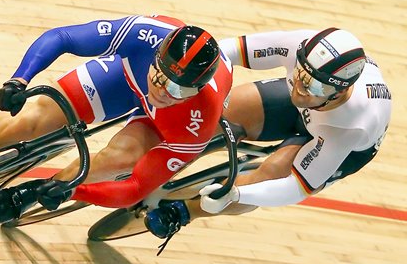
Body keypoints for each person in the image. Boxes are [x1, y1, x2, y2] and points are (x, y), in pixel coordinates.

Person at [0, 15, 234, 222]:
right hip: (125, 79)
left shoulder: (198, 122)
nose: (162, 89)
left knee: (118, 158)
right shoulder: (145, 34)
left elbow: (134, 188)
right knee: (29, 120)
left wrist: (74, 192)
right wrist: (19, 80)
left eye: (177, 87)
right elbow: (63, 37)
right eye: (160, 74)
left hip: (164, 123)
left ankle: (41, 189)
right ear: (157, 54)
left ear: (198, 88)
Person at [145, 27, 392, 239]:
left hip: (332, 137)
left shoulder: (350, 127)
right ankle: (160, 159)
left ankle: (183, 212)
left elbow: (294, 188)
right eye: (301, 73)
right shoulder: (299, 48)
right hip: (310, 109)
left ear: (340, 91)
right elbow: (227, 51)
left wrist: (236, 193)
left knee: (269, 176)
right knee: (219, 115)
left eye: (315, 84)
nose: (302, 87)